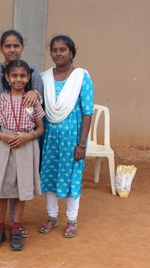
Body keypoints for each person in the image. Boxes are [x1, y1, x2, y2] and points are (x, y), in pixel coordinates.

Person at [0, 30, 44, 239]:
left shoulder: (33, 80)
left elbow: (40, 123)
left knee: (20, 186)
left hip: (26, 143)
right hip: (2, 141)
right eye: (7, 45)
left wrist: (35, 93)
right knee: (1, 183)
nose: (12, 49)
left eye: (16, 45)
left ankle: (15, 225)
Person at [38, 34, 94, 238]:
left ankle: (72, 221)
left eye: (62, 49)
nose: (58, 53)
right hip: (49, 138)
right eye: (54, 50)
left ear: (71, 52)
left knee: (72, 178)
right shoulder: (44, 77)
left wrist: (82, 143)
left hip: (73, 140)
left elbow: (87, 111)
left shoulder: (81, 77)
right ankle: (52, 217)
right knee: (49, 176)